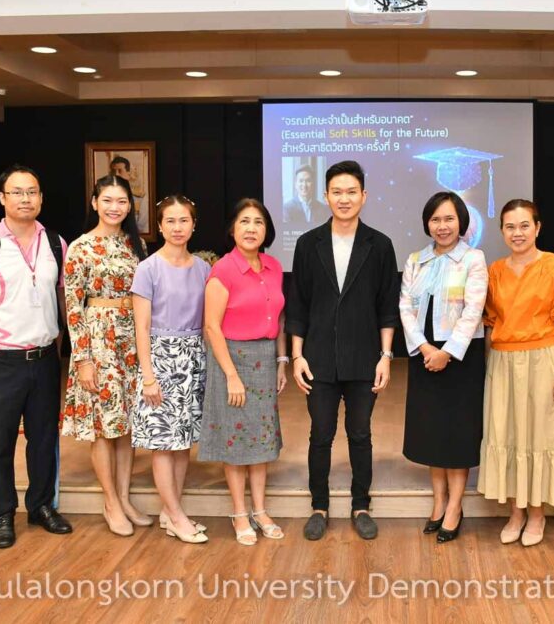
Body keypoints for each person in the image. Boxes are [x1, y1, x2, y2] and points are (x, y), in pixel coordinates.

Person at [0, 165, 72, 549]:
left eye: (32, 192)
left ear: (41, 198)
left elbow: (61, 297)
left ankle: (41, 506)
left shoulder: (56, 243)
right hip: (0, 360)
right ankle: (2, 513)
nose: (25, 199)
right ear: (3, 198)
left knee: (44, 438)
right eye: (17, 192)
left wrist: (58, 344)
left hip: (44, 359)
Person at [287, 160, 400, 541]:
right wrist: (297, 356)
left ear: (364, 196)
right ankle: (319, 506)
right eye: (337, 192)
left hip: (364, 358)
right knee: (320, 434)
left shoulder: (380, 245)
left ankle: (361, 505)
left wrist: (386, 356)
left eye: (352, 191)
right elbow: (298, 305)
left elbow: (387, 307)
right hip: (317, 358)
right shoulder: (308, 244)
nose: (344, 198)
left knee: (360, 434)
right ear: (326, 196)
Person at [479, 199, 554, 547]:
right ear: (502, 231)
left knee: (539, 435)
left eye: (524, 225)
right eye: (510, 227)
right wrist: (489, 368)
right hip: (503, 362)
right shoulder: (494, 271)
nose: (517, 233)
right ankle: (515, 512)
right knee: (506, 433)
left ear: (537, 228)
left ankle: (537, 514)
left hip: (543, 360)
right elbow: (490, 325)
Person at [62, 174, 150, 536]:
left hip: (132, 340)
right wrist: (83, 359)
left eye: (122, 201)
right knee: (103, 425)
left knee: (126, 424)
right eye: (108, 200)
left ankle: (125, 498)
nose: (115, 207)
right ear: (95, 203)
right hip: (98, 341)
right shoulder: (81, 247)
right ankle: (110, 501)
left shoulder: (135, 244)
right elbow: (72, 307)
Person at [198, 198, 288, 546]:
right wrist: (231, 375)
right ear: (232, 229)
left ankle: (260, 511)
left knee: (261, 438)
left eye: (258, 222)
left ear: (267, 230)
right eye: (245, 222)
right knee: (235, 441)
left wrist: (281, 361)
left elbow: (279, 317)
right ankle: (239, 512)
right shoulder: (222, 270)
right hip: (231, 359)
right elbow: (211, 327)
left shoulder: (274, 267)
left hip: (265, 358)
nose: (252, 228)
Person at [399, 192, 488, 543]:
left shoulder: (473, 258)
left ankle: (455, 506)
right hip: (424, 353)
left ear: (461, 222)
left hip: (460, 357)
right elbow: (405, 307)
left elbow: (474, 309)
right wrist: (424, 348)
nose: (442, 226)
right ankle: (438, 502)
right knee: (432, 431)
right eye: (435, 219)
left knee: (457, 432)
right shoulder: (415, 260)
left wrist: (447, 352)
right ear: (427, 223)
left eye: (449, 219)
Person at [130, 195, 210, 544]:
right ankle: (177, 516)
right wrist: (148, 376)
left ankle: (170, 510)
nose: (178, 227)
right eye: (171, 221)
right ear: (160, 226)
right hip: (160, 360)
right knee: (163, 443)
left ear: (194, 225)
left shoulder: (204, 269)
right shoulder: (148, 269)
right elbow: (141, 327)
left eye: (184, 220)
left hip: (193, 358)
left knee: (183, 442)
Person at [110, 156, 148, 235]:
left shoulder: (139, 197)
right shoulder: (106, 197)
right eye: (113, 171)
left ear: (128, 173)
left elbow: (142, 225)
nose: (116, 174)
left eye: (120, 171)